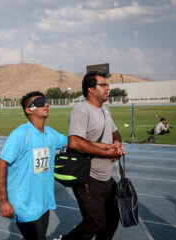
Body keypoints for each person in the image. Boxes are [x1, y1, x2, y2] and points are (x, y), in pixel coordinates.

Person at [59, 71, 125, 240]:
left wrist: (116, 144)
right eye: (103, 85)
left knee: (112, 218)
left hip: (105, 176)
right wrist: (106, 151)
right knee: (95, 222)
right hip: (88, 176)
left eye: (107, 85)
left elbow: (115, 132)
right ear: (90, 89)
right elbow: (74, 142)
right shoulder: (81, 111)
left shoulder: (104, 109)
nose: (107, 88)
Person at [0, 91, 67, 240]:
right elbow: (1, 163)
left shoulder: (50, 133)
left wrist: (105, 148)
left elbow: (72, 142)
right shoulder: (20, 134)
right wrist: (3, 201)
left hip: (44, 202)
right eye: (40, 102)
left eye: (45, 101)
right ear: (29, 110)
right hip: (24, 205)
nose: (46, 104)